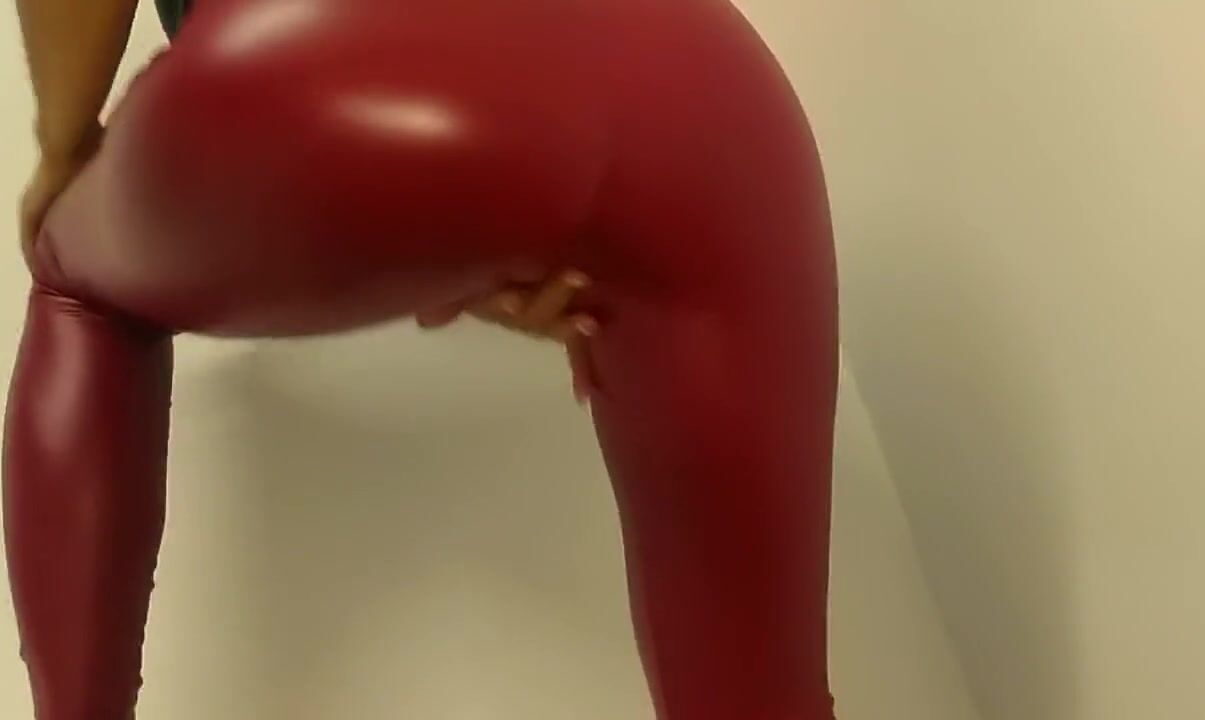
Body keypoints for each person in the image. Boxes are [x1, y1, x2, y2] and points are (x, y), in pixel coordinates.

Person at [6, 0, 840, 718]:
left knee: (71, 274)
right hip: (710, 92)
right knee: (761, 696)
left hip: (323, 46)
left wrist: (64, 148)